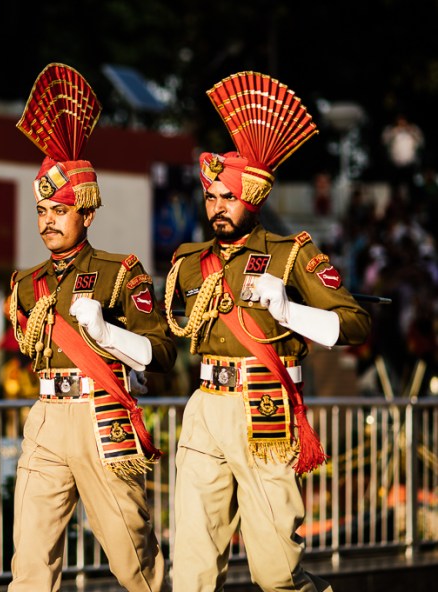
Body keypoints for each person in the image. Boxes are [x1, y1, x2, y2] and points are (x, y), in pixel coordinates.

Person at [164, 72, 372, 592]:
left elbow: (355, 323)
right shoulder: (189, 262)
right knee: (189, 570)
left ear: (251, 199)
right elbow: (167, 330)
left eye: (226, 197)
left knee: (276, 573)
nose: (216, 207)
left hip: (266, 407)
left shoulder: (291, 254)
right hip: (205, 404)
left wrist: (288, 310)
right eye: (210, 197)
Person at [6, 63, 177, 592]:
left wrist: (105, 334)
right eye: (41, 210)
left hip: (101, 416)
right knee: (30, 564)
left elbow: (162, 352)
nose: (47, 220)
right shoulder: (26, 282)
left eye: (59, 209)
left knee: (134, 561)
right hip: (45, 417)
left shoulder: (119, 272)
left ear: (86, 212)